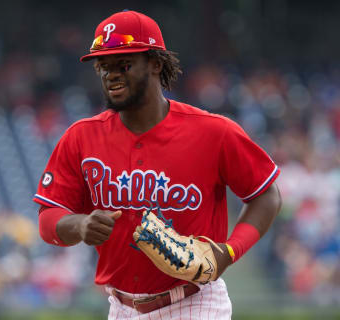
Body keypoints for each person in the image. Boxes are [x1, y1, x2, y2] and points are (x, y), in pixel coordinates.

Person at [33, 10, 282, 320]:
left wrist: (229, 252)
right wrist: (79, 225)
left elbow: (266, 194)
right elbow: (48, 219)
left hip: (194, 303)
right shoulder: (80, 137)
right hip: (120, 307)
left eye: (123, 64)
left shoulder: (214, 132)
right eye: (103, 66)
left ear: (155, 63)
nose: (111, 74)